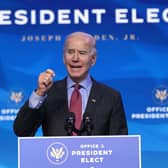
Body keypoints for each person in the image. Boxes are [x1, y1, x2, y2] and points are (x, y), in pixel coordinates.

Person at [13, 31, 128, 136]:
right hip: (57, 158)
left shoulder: (111, 97)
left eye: (82, 53)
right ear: (64, 57)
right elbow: (22, 131)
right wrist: (40, 93)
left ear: (93, 59)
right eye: (70, 52)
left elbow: (120, 145)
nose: (75, 58)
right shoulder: (48, 93)